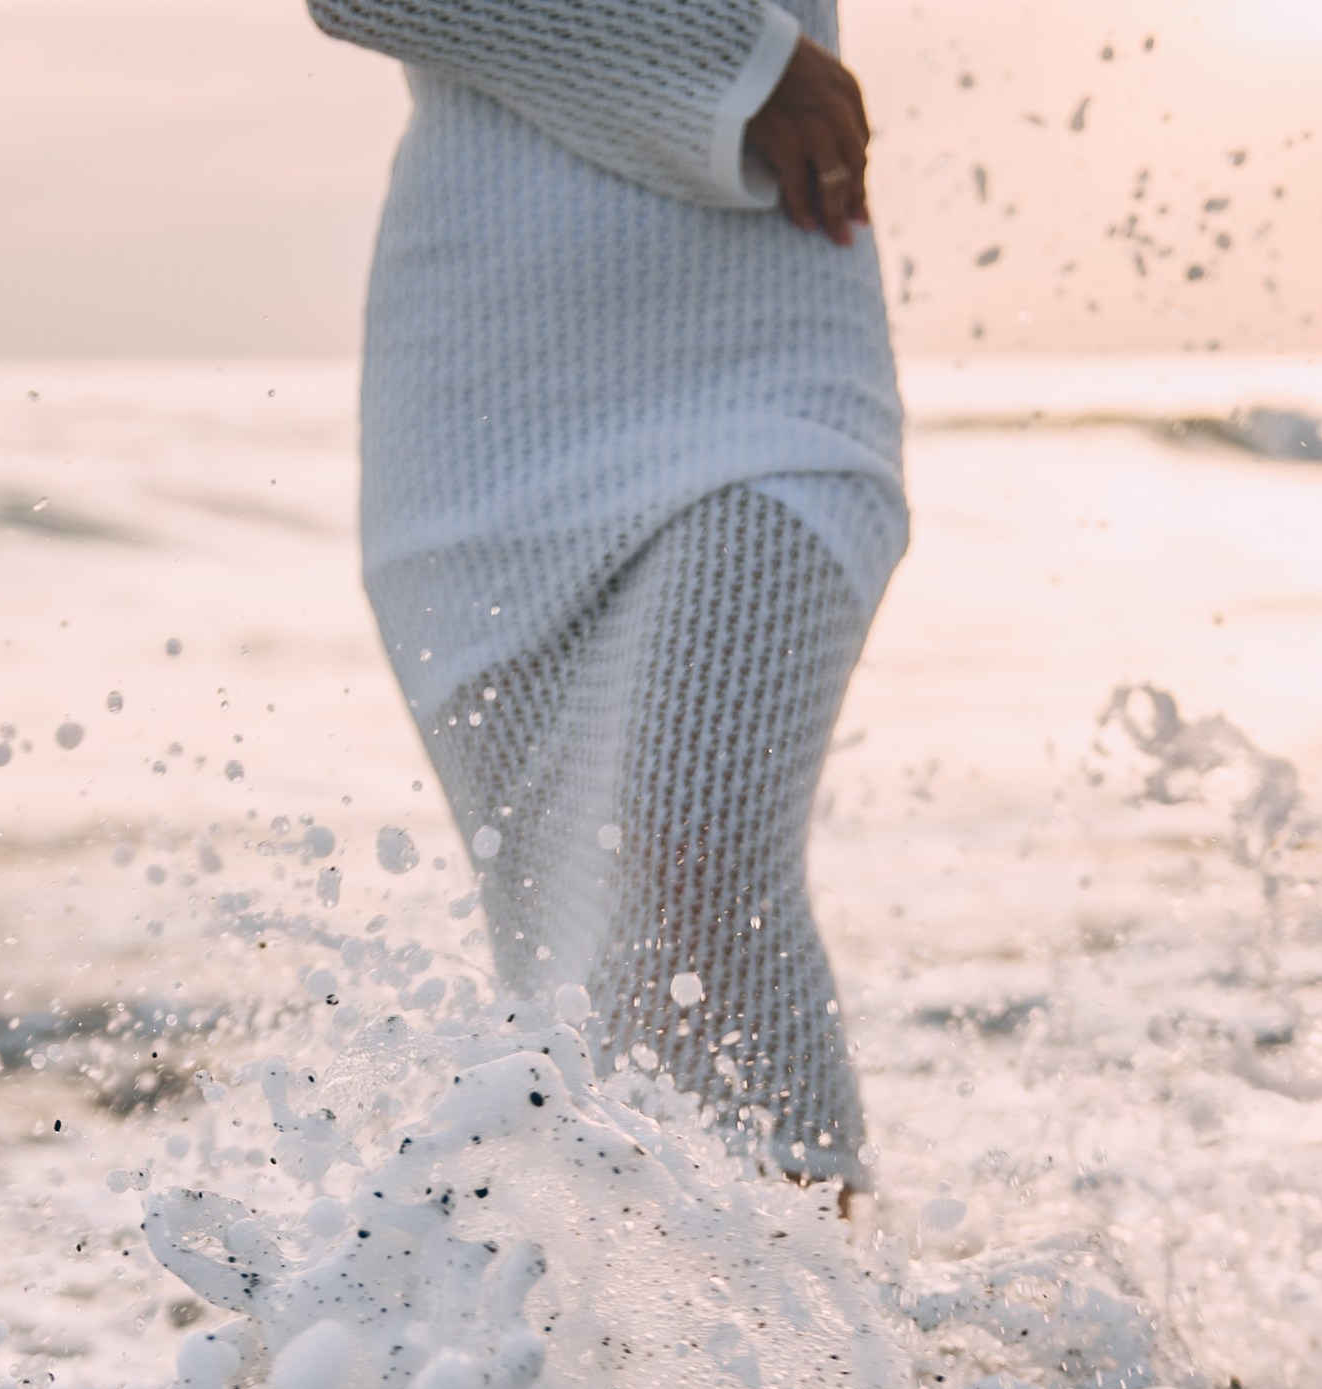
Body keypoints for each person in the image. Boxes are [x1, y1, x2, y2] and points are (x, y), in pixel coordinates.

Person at [308, 3, 906, 1197]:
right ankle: (640, 1365)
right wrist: (712, 57)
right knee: (579, 978)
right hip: (485, 403)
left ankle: (847, 1364)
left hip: (768, 337)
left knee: (691, 869)